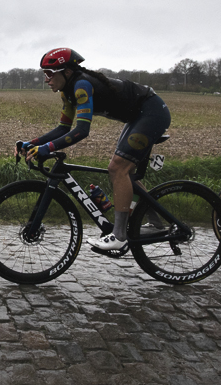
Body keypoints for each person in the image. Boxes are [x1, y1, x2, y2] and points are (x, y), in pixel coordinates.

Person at [18, 47, 171, 253]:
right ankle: (155, 223)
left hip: (151, 112)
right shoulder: (68, 92)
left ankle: (119, 236)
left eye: (49, 73)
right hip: (138, 116)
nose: (46, 79)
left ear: (67, 72)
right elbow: (63, 128)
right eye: (44, 74)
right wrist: (32, 143)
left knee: (118, 168)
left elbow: (82, 130)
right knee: (128, 175)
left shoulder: (81, 86)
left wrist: (46, 148)